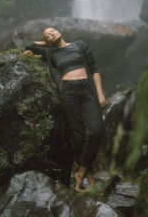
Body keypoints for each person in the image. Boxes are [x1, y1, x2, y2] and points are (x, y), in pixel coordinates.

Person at [24, 28, 107, 192]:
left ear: (59, 31)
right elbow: (29, 45)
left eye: (53, 30)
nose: (52, 33)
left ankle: (80, 172)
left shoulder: (80, 45)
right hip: (69, 94)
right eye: (47, 34)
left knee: (96, 131)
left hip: (87, 91)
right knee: (78, 137)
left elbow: (94, 68)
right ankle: (88, 181)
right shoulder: (51, 55)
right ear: (47, 41)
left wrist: (100, 94)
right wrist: (47, 44)